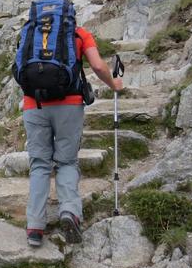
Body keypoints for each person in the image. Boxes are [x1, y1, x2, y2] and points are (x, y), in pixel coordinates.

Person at [23, 26, 123, 247]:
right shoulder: (77, 33)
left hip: (33, 104)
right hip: (68, 104)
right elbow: (97, 65)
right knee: (67, 161)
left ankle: (35, 227)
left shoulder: (30, 31)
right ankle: (69, 212)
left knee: (39, 164)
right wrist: (113, 83)